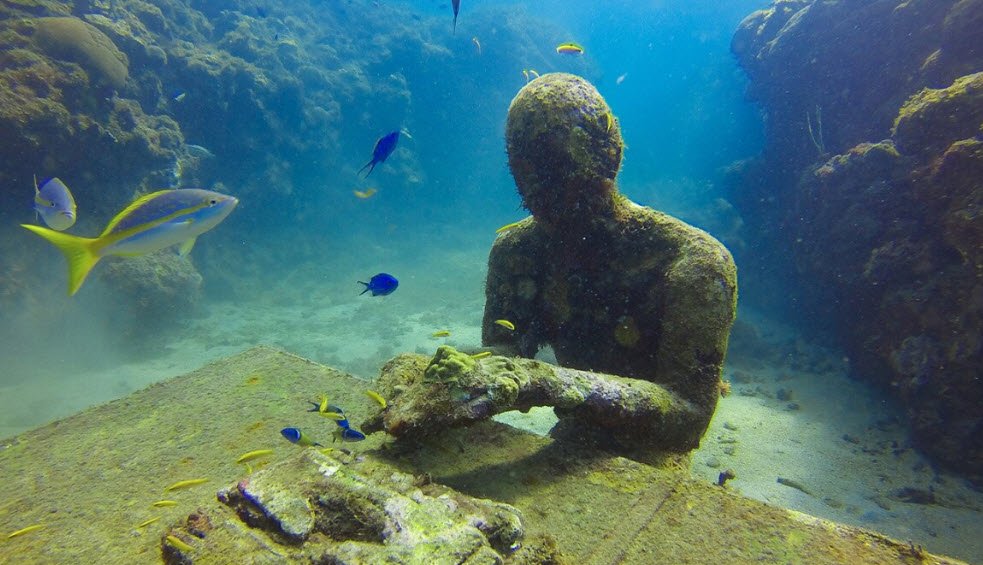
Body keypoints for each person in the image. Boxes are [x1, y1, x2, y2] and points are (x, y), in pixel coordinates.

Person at [482, 73, 738, 451]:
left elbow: (688, 418)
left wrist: (554, 385)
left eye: (554, 165)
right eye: (522, 168)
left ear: (610, 156)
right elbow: (504, 357)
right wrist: (441, 370)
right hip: (573, 437)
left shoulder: (693, 262)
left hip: (653, 460)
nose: (537, 189)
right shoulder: (517, 251)